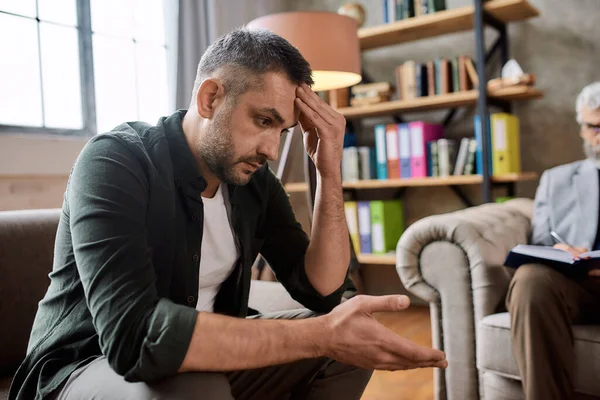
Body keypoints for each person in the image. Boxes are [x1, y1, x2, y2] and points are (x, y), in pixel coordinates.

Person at [9, 28, 447, 400]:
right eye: (263, 121)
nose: (272, 149)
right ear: (210, 97)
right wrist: (319, 334)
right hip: (82, 367)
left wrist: (329, 172)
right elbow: (135, 338)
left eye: (283, 130)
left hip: (194, 365)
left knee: (346, 349)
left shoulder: (253, 182)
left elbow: (323, 290)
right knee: (198, 383)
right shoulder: (115, 162)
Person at [507, 81, 600, 400]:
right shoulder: (556, 180)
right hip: (578, 285)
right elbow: (542, 243)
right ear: (582, 128)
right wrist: (560, 251)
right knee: (530, 280)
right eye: (594, 126)